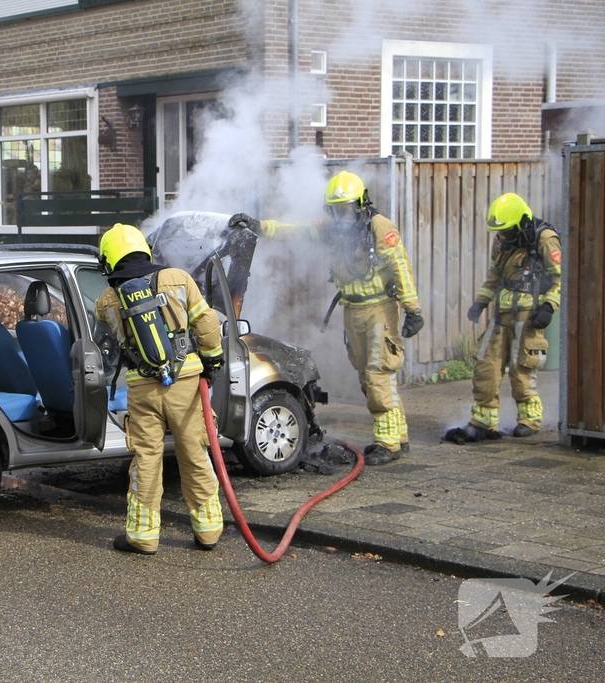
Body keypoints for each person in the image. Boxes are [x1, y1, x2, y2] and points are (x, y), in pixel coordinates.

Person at [229, 170, 424, 465]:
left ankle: (389, 443)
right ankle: (398, 436)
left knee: (376, 372)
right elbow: (295, 229)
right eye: (334, 209)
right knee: (367, 375)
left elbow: (400, 266)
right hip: (353, 309)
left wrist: (413, 309)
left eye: (345, 208)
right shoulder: (333, 229)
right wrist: (260, 226)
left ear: (359, 203)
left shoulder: (378, 227)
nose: (340, 215)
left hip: (379, 310)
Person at [95, 223, 226, 555]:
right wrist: (211, 364)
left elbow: (107, 348)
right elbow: (207, 323)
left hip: (142, 388)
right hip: (186, 383)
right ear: (145, 250)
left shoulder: (106, 300)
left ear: (109, 260)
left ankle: (142, 536)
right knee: (194, 453)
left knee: (146, 458)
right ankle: (208, 531)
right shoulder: (178, 278)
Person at [445, 193, 561, 444]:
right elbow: (494, 275)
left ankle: (529, 419)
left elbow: (560, 278)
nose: (503, 238)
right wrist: (480, 302)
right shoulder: (501, 240)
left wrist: (549, 306)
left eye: (508, 232)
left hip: (529, 316)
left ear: (521, 224)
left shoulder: (545, 239)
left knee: (522, 369)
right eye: (500, 233)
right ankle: (484, 420)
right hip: (501, 316)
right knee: (485, 365)